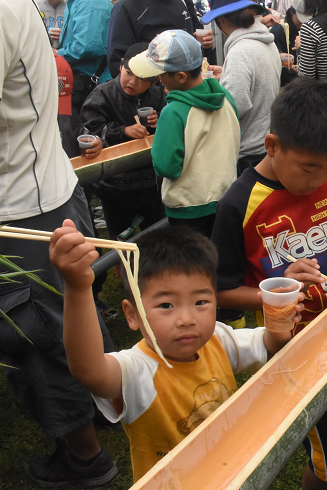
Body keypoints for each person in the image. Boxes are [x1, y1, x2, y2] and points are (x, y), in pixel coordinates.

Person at [211, 77, 327, 490]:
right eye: (309, 168)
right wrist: (273, 288)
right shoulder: (239, 204)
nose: (317, 181)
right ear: (272, 145)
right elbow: (219, 292)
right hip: (296, 346)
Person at [48, 224, 293, 481]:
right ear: (132, 315)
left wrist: (281, 312)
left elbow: (270, 345)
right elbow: (89, 370)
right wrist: (78, 287)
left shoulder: (217, 340)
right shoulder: (136, 372)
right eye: (166, 305)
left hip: (229, 472)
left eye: (200, 302)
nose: (186, 319)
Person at [0, 0, 117, 486]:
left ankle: (85, 457)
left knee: (39, 338)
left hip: (23, 206)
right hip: (39, 191)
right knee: (66, 320)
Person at [129, 30, 240, 238]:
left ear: (180, 77)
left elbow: (166, 166)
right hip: (225, 197)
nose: (158, 80)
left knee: (193, 264)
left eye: (161, 73)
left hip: (187, 208)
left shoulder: (174, 112)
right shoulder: (226, 99)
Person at [80, 43, 167, 241]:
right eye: (129, 72)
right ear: (120, 66)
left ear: (154, 81)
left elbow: (171, 129)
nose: (133, 82)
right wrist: (122, 131)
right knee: (119, 239)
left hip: (151, 181)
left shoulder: (157, 96)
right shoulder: (102, 95)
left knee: (155, 237)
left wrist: (161, 119)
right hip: (115, 185)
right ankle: (122, 269)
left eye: (143, 79)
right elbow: (89, 130)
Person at [203, 0, 282, 177]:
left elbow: (234, 107)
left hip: (248, 153)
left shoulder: (240, 51)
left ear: (221, 19)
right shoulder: (267, 42)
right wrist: (226, 73)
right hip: (264, 144)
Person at [107, 0, 213, 78]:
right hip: (152, 97)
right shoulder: (127, 7)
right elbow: (117, 62)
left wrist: (204, 45)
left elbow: (193, 44)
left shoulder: (182, 3)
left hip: (188, 88)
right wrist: (153, 92)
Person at [56, 0, 113, 112]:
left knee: (83, 127)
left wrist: (58, 54)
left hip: (89, 84)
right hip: (79, 83)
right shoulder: (77, 3)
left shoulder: (90, 3)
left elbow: (86, 47)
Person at [270, 6, 302, 86]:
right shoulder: (279, 31)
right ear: (292, 13)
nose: (303, 21)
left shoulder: (301, 30)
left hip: (296, 83)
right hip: (282, 85)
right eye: (300, 17)